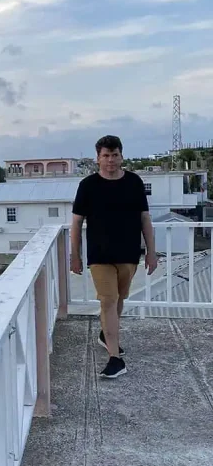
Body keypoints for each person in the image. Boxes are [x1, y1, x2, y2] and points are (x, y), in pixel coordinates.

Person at [70, 135, 157, 379]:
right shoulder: (88, 185)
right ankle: (115, 358)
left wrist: (151, 252)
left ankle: (105, 335)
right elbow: (76, 222)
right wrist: (74, 255)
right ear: (98, 158)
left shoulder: (134, 182)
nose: (110, 160)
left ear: (121, 156)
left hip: (129, 253)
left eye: (115, 155)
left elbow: (145, 219)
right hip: (99, 255)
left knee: (119, 299)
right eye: (105, 155)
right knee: (108, 300)